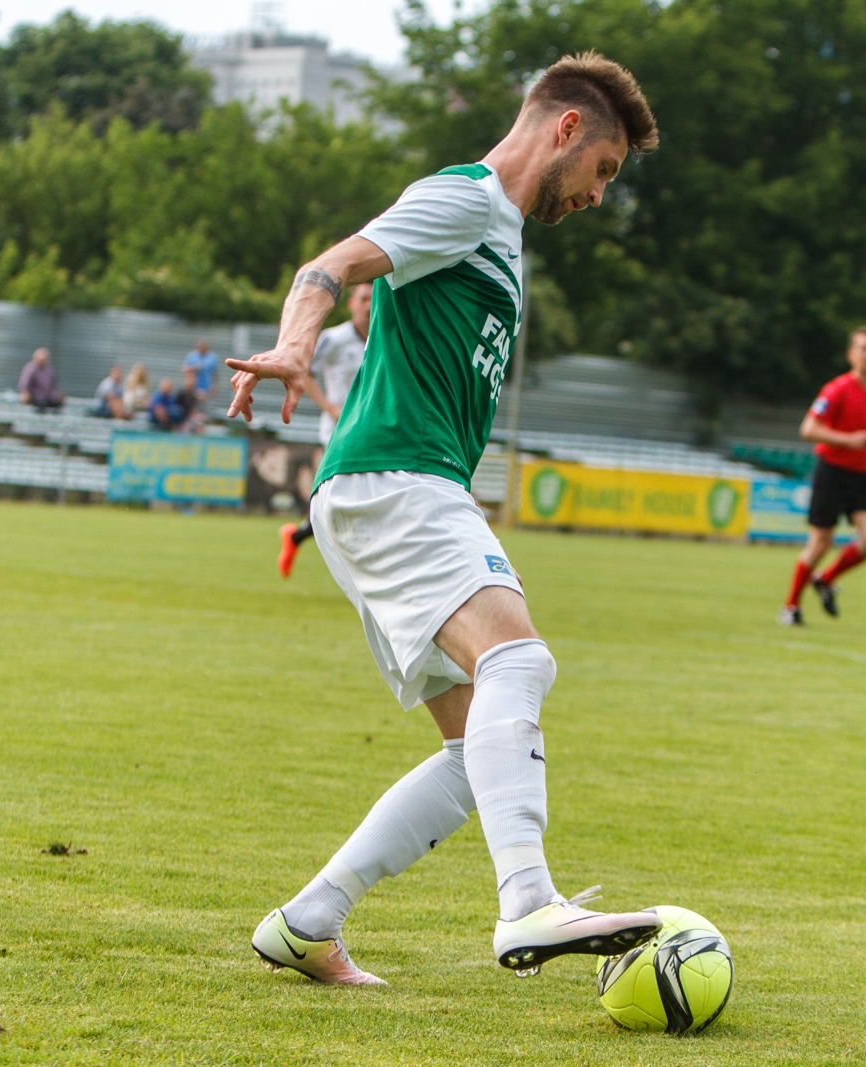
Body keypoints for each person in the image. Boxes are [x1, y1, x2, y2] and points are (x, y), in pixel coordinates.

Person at [227, 50, 663, 984]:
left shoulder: (500, 230)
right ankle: (526, 902)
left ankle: (308, 922)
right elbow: (331, 264)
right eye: (605, 172)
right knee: (520, 659)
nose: (598, 195)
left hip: (394, 490)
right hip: (397, 481)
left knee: (475, 752)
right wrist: (294, 346)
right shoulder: (467, 200)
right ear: (567, 128)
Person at [781, 327, 866, 626]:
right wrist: (846, 440)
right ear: (851, 354)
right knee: (821, 543)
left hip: (862, 475)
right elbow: (808, 429)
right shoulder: (837, 390)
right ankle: (791, 606)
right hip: (831, 471)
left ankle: (826, 579)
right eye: (863, 348)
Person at [277, 282, 373, 577]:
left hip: (370, 428)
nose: (370, 304)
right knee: (346, 499)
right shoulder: (335, 338)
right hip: (339, 430)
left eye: (374, 299)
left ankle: (296, 536)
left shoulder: (383, 338)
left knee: (354, 501)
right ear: (352, 304)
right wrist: (330, 407)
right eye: (364, 298)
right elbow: (302, 369)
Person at [175, 365, 205, 433]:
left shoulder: (197, 394)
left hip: (194, 418)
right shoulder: (181, 394)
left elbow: (198, 409)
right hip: (183, 419)